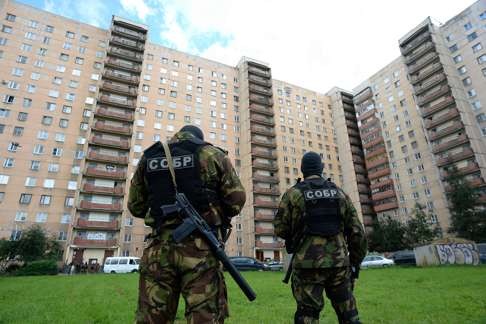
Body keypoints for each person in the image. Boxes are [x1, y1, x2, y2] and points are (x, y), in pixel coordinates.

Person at [128, 125, 246, 324]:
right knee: (205, 318)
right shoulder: (212, 155)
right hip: (200, 251)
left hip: (158, 251)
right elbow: (236, 201)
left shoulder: (149, 157)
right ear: (199, 138)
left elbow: (136, 206)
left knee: (151, 319)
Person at [274, 151, 368, 324]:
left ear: (302, 170)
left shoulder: (293, 194)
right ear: (322, 168)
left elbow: (280, 228)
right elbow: (357, 232)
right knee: (349, 315)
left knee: (307, 316)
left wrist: (295, 234)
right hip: (339, 265)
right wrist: (354, 262)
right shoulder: (339, 194)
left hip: (307, 266)